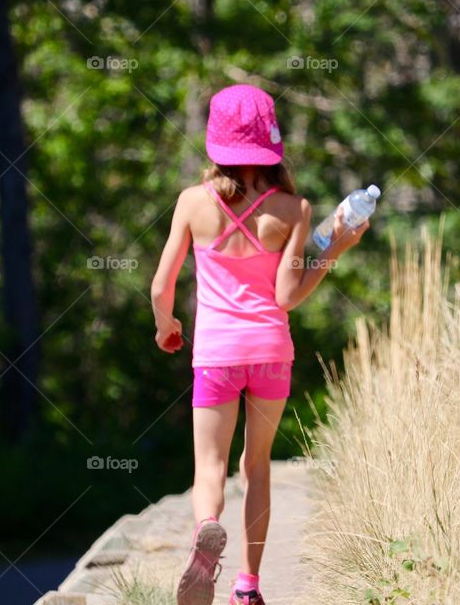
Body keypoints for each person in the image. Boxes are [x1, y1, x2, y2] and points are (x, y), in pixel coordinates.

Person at [150, 84, 369, 605]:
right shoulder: (294, 209)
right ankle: (246, 589)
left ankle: (208, 527)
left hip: (217, 357)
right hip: (271, 353)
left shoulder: (192, 203)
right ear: (271, 144)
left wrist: (166, 327)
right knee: (257, 465)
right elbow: (287, 295)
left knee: (210, 467)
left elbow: (161, 287)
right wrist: (335, 246)